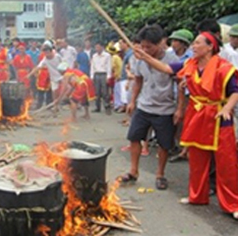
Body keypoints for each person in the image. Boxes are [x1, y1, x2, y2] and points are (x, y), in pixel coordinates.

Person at [131, 31, 238, 216]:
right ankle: (197, 196)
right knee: (196, 159)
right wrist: (145, 57)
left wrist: (227, 107)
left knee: (226, 162)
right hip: (197, 115)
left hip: (218, 117)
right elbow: (166, 68)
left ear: (210, 46)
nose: (193, 47)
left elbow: (235, 91)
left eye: (197, 43)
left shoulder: (224, 67)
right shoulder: (190, 64)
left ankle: (233, 205)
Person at [118, 25, 181, 190]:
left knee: (164, 144)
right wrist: (132, 101)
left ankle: (160, 174)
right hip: (144, 106)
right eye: (143, 46)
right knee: (134, 137)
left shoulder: (172, 59)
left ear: (161, 43)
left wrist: (180, 109)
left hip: (165, 108)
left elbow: (181, 85)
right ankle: (133, 171)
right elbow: (138, 80)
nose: (145, 49)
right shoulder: (140, 58)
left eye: (149, 47)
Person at [91, 42, 113, 114]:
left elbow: (109, 66)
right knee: (97, 92)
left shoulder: (107, 55)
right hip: (96, 74)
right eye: (96, 47)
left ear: (102, 47)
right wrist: (92, 76)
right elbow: (92, 67)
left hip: (104, 74)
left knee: (105, 92)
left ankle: (107, 106)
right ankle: (97, 107)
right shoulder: (94, 56)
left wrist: (108, 76)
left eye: (98, 47)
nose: (97, 49)